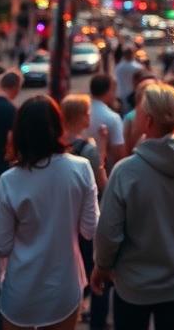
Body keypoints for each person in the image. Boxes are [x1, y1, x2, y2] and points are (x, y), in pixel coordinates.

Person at [93, 83, 174, 330]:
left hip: (133, 285)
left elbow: (109, 232)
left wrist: (102, 266)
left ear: (148, 121)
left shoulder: (126, 172)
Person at [0, 95, 99, 330]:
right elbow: (90, 230)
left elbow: (1, 246)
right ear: (58, 126)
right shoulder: (81, 168)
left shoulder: (9, 181)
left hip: (19, 291)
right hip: (64, 287)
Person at [61, 94, 110, 330]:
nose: (90, 116)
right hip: (87, 222)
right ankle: (96, 323)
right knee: (96, 278)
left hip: (64, 221)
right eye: (87, 112)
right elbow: (103, 185)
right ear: (79, 116)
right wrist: (101, 148)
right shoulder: (87, 149)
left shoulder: (58, 142)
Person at [87, 73, 126, 167]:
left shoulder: (81, 113)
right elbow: (119, 154)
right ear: (108, 91)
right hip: (105, 172)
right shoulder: (112, 118)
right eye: (114, 90)